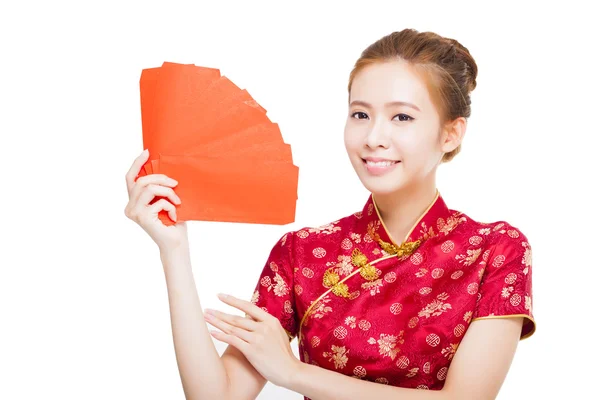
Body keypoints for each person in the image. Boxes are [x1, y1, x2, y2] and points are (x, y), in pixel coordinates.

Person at [125, 28, 535, 400]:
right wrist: (173, 249)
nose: (374, 137)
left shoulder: (495, 249)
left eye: (402, 117)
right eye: (360, 114)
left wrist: (292, 373)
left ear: (451, 134)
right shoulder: (301, 251)